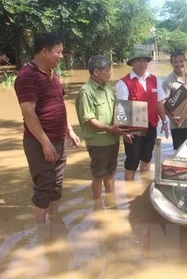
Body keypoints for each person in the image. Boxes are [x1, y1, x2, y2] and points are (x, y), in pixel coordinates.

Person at [14, 32, 80, 225]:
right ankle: (42, 231)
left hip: (58, 139)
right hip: (40, 142)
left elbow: (60, 103)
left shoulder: (53, 74)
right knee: (44, 186)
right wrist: (45, 143)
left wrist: (70, 130)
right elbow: (28, 113)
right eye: (58, 52)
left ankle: (55, 220)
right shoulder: (27, 76)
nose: (61, 56)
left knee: (57, 183)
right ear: (44, 51)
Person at [75, 55, 127, 208]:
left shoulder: (107, 88)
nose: (110, 73)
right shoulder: (86, 92)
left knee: (111, 172)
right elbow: (89, 119)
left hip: (113, 139)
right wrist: (110, 129)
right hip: (98, 142)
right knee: (98, 175)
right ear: (96, 72)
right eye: (107, 70)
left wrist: (125, 130)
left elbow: (116, 113)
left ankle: (111, 204)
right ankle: (97, 205)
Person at [115, 49, 169, 181]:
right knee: (132, 162)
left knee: (147, 157)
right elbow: (122, 109)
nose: (142, 63)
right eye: (138, 60)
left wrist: (165, 122)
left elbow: (159, 102)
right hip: (134, 128)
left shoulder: (154, 80)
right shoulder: (124, 83)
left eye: (144, 60)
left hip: (151, 125)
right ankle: (129, 190)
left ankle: (143, 188)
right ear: (132, 63)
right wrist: (124, 132)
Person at [162, 51, 187, 150]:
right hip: (178, 125)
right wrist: (171, 118)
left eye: (181, 61)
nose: (179, 64)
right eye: (175, 62)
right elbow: (163, 103)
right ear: (171, 64)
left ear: (185, 61)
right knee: (180, 154)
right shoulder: (167, 81)